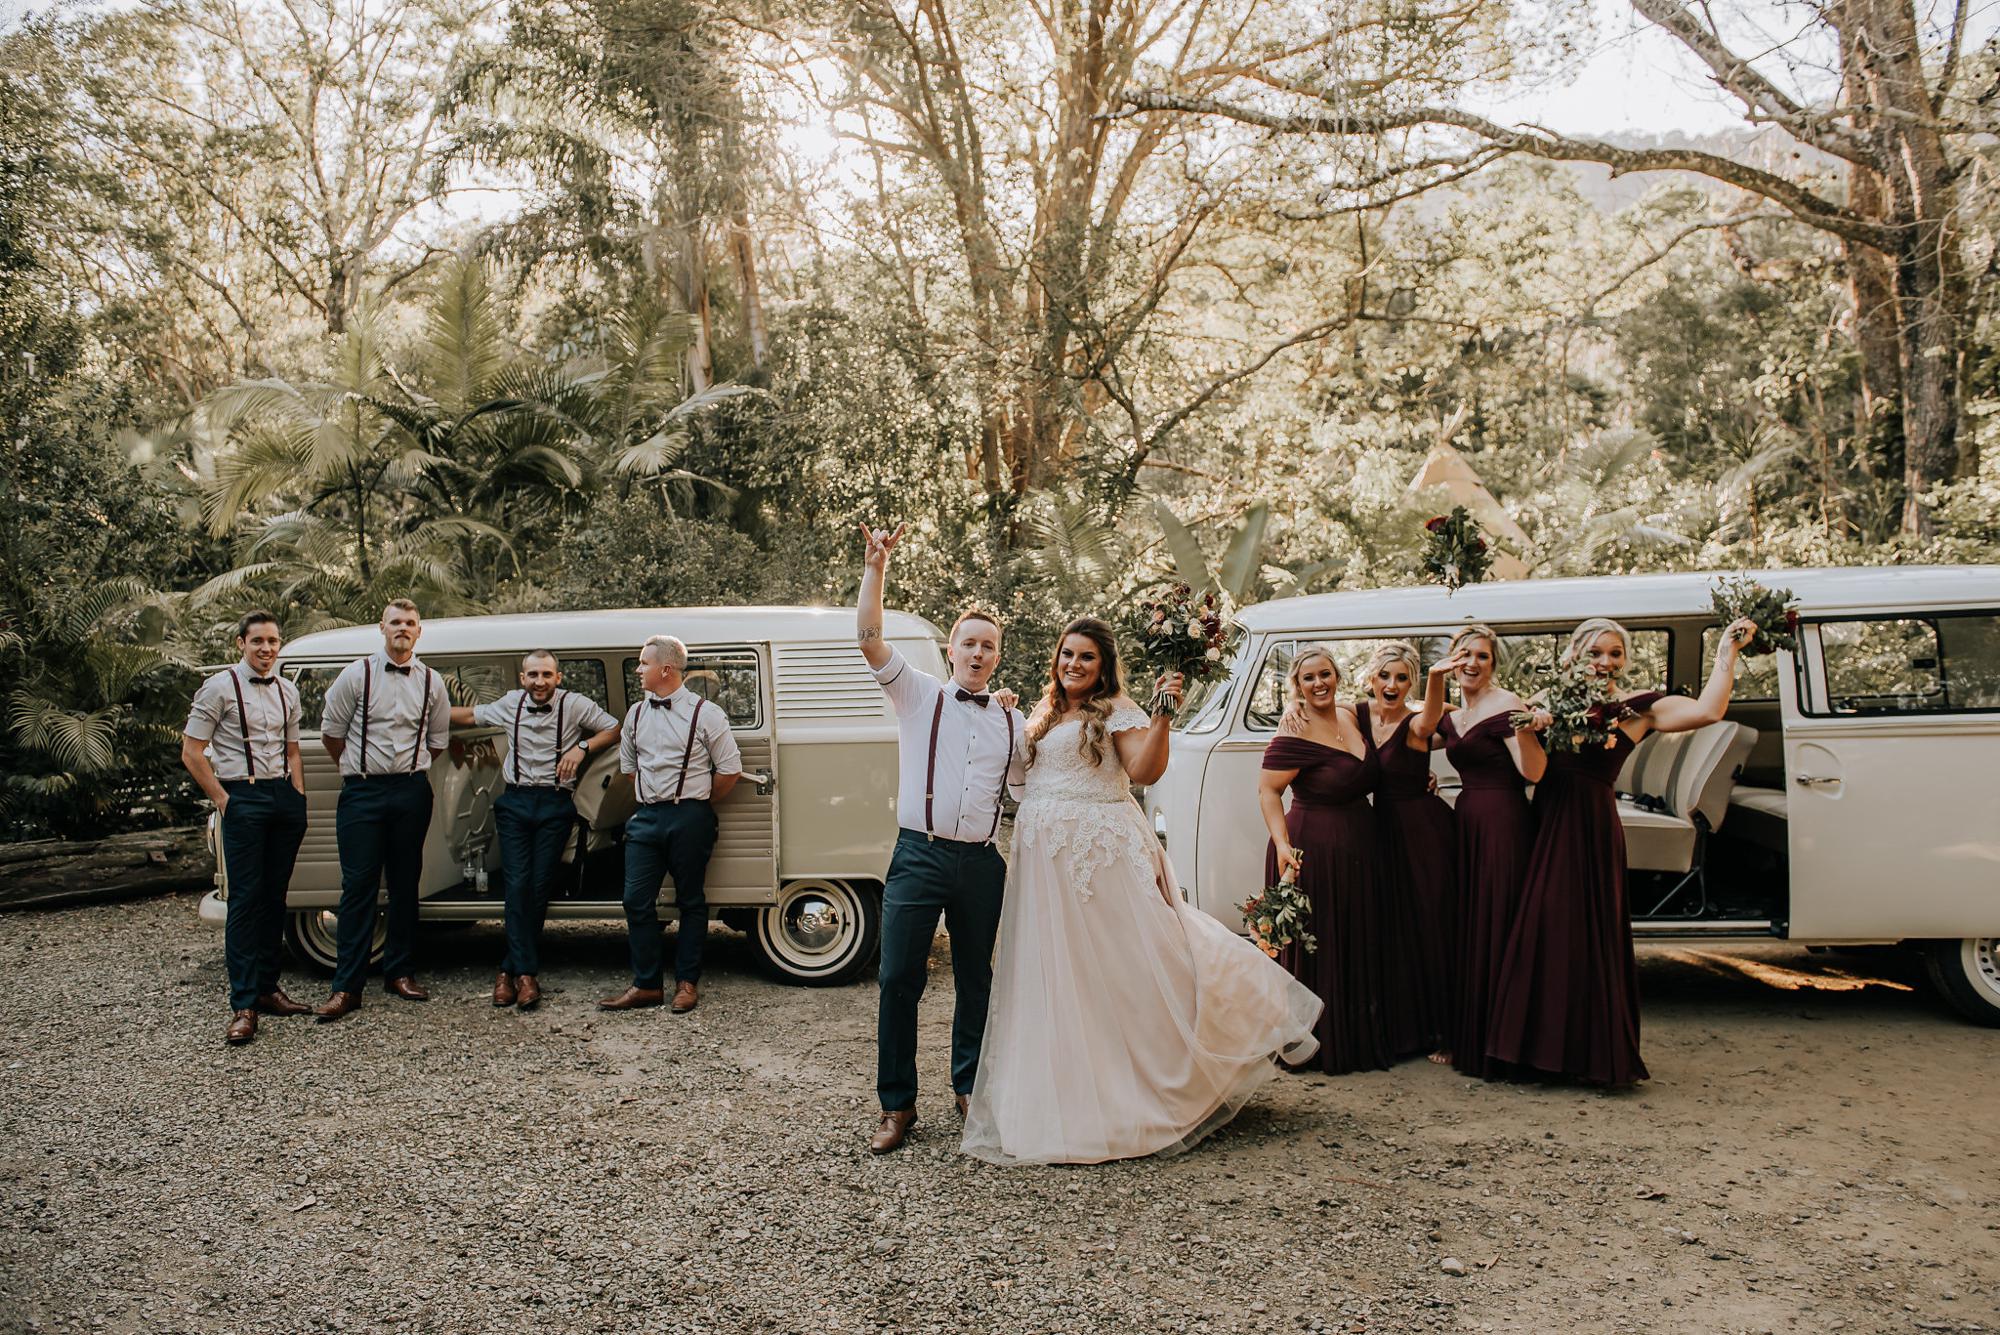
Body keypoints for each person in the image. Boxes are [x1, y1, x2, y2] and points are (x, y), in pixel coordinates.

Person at [964, 617, 1320, 1165]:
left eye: (1086, 657)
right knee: (1062, 972)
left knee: (1126, 963)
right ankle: (1065, 1090)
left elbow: (1145, 770)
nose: (1073, 665)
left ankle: (1162, 1078)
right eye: (1066, 655)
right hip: (1044, 863)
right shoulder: (1044, 711)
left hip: (1096, 856)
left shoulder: (1121, 711)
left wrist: (1163, 715)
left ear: (1103, 665)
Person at [1486, 616, 1757, 1086]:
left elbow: (1710, 711)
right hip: (1544, 819)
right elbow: (1500, 747)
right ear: (1572, 655)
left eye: (1614, 653)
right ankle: (1531, 1052)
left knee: (1588, 930)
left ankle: (1591, 1055)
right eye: (1595, 653)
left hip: (1589, 824)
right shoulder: (1544, 702)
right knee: (1543, 927)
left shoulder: (1638, 709)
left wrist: (1727, 652)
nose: (1605, 662)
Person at [855, 524, 1029, 1154]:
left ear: (997, 657)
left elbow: (1025, 787)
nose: (978, 653)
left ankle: (968, 1090)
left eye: (989, 646)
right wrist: (877, 569)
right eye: (969, 643)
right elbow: (869, 638)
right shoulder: (916, 695)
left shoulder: (1013, 718)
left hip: (982, 863)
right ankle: (897, 1105)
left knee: (976, 980)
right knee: (899, 976)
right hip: (919, 854)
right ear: (951, 650)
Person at [449, 650, 620, 1010]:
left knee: (540, 885)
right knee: (517, 884)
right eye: (532, 675)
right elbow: (466, 715)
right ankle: (526, 975)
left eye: (546, 674)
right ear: (522, 679)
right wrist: (412, 712)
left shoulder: (575, 705)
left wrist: (582, 746)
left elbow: (614, 726)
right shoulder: (510, 703)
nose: (539, 681)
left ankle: (507, 971)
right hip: (515, 803)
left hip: (556, 804)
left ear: (558, 678)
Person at [314, 599, 451, 1022]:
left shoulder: (432, 681)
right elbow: (331, 735)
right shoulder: (356, 674)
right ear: (382, 627)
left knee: (406, 882)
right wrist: (359, 771)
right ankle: (347, 987)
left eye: (410, 622)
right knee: (358, 887)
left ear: (419, 631)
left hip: (410, 790)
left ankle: (400, 972)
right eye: (396, 622)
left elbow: (438, 739)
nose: (403, 628)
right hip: (363, 791)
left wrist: (408, 773)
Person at [181, 610, 310, 1045]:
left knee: (276, 897)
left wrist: (298, 793)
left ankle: (270, 989)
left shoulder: (288, 690)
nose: (267, 648)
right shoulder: (218, 687)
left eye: (273, 641)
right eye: (258, 641)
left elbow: (293, 749)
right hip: (242, 796)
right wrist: (223, 800)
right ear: (241, 643)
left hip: (282, 798)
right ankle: (243, 1003)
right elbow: (192, 752)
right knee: (245, 900)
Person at [1258, 646, 1390, 1074]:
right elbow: (1268, 791)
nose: (1319, 683)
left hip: (1360, 843)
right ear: (1297, 686)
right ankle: (1317, 1045)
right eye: (1309, 678)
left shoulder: (1353, 715)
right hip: (1312, 846)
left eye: (1325, 675)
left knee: (1355, 939)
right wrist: (1281, 845)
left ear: (1337, 677)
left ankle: (1355, 1040)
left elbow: (1411, 708)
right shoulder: (1293, 729)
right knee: (1323, 941)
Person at [599, 634, 742, 1015]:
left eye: (643, 664)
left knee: (691, 901)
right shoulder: (636, 713)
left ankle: (687, 983)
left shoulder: (706, 713)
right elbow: (629, 768)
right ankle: (646, 985)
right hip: (646, 816)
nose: (639, 670)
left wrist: (696, 800)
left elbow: (729, 769)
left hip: (691, 816)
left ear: (665, 669)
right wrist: (656, 796)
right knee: (635, 900)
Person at [1431, 625, 1540, 1078]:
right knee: (1470, 923)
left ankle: (1503, 1041)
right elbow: (1398, 731)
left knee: (1497, 920)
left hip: (1502, 822)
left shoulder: (1507, 704)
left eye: (1482, 656)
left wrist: (1530, 729)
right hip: (1467, 820)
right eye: (1464, 655)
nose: (1472, 663)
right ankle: (1468, 1034)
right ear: (1451, 661)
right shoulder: (1454, 716)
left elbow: (1532, 771)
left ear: (1494, 665)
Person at [1357, 641, 1458, 1061]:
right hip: (1381, 830)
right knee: (1391, 929)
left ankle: (1446, 1033)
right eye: (1385, 676)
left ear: (1412, 684)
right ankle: (1400, 1028)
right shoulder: (1359, 716)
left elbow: (1438, 715)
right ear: (1372, 680)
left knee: (1431, 925)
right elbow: (1317, 708)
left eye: (1402, 678)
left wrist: (1437, 678)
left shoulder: (1418, 725)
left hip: (1422, 833)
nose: (1392, 684)